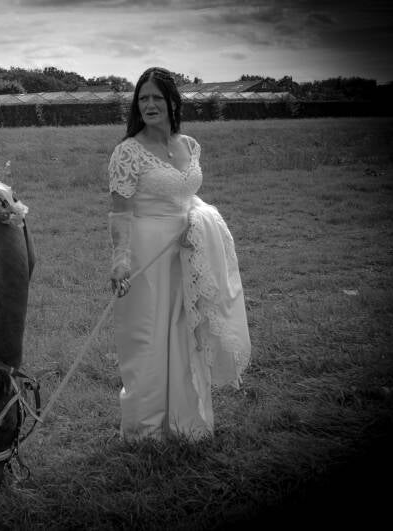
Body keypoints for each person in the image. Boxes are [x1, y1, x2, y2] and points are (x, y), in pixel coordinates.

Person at [107, 67, 251, 442]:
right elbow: (120, 212)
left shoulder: (189, 145)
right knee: (149, 336)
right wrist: (121, 259)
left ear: (173, 101)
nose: (150, 104)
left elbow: (188, 196)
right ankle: (145, 430)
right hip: (147, 254)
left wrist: (200, 223)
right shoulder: (127, 152)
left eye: (157, 97)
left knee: (188, 332)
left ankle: (187, 424)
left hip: (190, 251)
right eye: (143, 98)